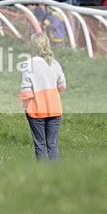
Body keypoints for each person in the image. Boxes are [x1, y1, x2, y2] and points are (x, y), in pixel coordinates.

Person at [21, 33, 67, 161]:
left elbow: (26, 90)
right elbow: (62, 85)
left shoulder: (27, 64)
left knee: (39, 145)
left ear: (33, 46)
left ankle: (43, 175)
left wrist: (25, 107)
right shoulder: (55, 63)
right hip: (54, 108)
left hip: (36, 110)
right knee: (53, 145)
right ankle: (55, 175)